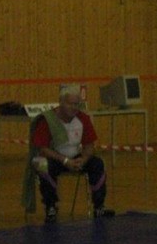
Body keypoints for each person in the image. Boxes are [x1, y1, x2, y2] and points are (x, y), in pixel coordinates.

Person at [25, 84, 113, 223]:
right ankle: (50, 207)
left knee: (98, 163)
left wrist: (83, 159)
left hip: (76, 157)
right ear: (61, 102)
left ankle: (99, 207)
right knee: (41, 164)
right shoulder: (48, 120)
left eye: (76, 104)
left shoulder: (83, 119)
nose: (74, 107)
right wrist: (65, 161)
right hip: (55, 157)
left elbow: (89, 146)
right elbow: (42, 149)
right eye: (70, 104)